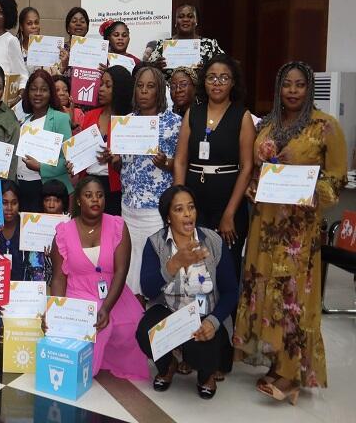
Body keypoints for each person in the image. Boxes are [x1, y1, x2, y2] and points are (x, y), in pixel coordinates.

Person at [234, 61, 346, 402]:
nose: (293, 91)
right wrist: (254, 187)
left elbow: (337, 177)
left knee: (294, 296)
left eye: (299, 85)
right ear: (278, 89)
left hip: (298, 231)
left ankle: (292, 373)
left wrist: (308, 191)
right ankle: (276, 360)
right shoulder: (266, 125)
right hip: (265, 225)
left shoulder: (325, 127)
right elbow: (256, 170)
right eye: (287, 85)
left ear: (309, 88)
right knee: (266, 290)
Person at [138, 185, 238, 400]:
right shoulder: (155, 243)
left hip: (204, 315)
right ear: (167, 217)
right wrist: (174, 264)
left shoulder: (213, 240)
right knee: (145, 333)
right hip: (170, 312)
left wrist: (212, 321)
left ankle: (205, 376)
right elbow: (147, 289)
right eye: (179, 209)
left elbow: (231, 291)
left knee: (205, 350)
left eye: (191, 208)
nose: (187, 214)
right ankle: (168, 365)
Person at [49, 176, 148, 380]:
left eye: (100, 195)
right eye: (88, 195)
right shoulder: (63, 232)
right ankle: (83, 370)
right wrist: (57, 312)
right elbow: (58, 278)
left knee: (135, 325)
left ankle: (106, 360)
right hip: (78, 292)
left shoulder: (118, 225)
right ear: (78, 201)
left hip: (113, 293)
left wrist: (106, 307)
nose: (95, 200)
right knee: (98, 325)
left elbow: (121, 271)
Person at [173, 55, 255, 276]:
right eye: (211, 78)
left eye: (223, 78)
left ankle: (223, 312)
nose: (217, 83)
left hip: (228, 200)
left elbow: (247, 167)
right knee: (194, 264)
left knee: (226, 267)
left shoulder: (242, 116)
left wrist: (229, 213)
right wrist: (179, 200)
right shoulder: (193, 112)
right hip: (194, 200)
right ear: (204, 82)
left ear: (233, 82)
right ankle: (194, 310)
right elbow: (180, 159)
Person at [114, 65, 181, 295]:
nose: (144, 91)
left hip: (156, 209)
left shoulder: (174, 124)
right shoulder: (126, 122)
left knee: (154, 267)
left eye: (150, 86)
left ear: (160, 91)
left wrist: (165, 163)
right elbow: (122, 164)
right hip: (129, 206)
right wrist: (113, 159)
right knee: (129, 268)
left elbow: (181, 164)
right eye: (140, 86)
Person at [0, 179, 61, 342]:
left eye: (14, 203)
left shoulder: (29, 227)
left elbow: (37, 272)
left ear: (19, 204)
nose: (9, 208)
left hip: (23, 295)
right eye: (4, 203)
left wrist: (32, 300)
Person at [73, 65, 134, 216]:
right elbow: (80, 152)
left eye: (108, 85)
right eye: (101, 84)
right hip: (88, 184)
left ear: (120, 89)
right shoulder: (89, 116)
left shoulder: (129, 121)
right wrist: (73, 162)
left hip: (114, 188)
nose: (101, 89)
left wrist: (116, 160)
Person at [16, 70, 74, 209]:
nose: (38, 94)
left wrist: (41, 167)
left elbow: (69, 160)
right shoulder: (25, 121)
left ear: (51, 93)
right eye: (33, 89)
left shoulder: (60, 119)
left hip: (46, 189)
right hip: (22, 187)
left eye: (43, 90)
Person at [146, 4, 224, 78]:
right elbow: (146, 71)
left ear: (196, 20)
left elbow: (226, 67)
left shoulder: (210, 45)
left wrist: (208, 70)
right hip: (170, 91)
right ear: (175, 21)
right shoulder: (162, 45)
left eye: (190, 16)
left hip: (200, 91)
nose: (185, 19)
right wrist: (155, 67)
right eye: (181, 16)